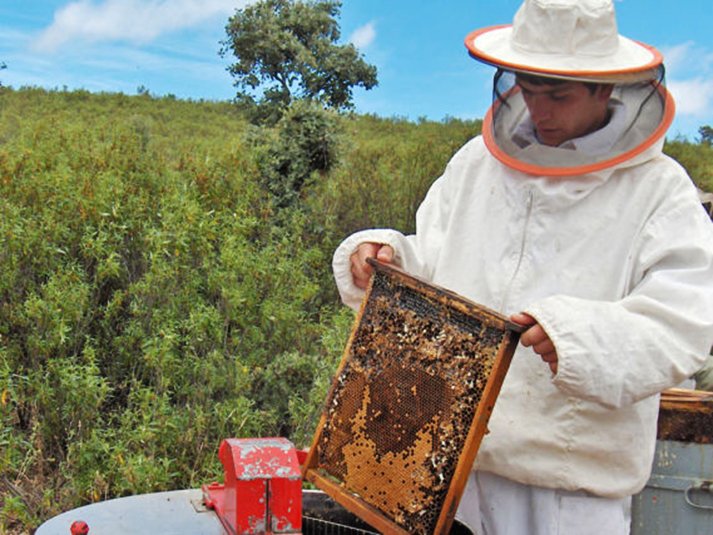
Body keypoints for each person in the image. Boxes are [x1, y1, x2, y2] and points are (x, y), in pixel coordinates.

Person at [331, 0, 713, 533]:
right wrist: (386, 258)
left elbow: (685, 323)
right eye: (529, 91)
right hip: (449, 467)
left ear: (605, 88)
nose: (541, 111)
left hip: (568, 491)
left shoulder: (659, 192)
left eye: (558, 95)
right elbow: (436, 257)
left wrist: (580, 340)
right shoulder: (475, 165)